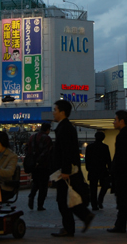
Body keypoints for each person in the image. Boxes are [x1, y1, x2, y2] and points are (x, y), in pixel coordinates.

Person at [50, 100, 94, 237]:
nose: (53, 112)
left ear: (62, 112)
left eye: (55, 110)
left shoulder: (65, 128)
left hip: (66, 171)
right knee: (66, 199)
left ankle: (71, 226)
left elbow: (67, 151)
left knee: (63, 200)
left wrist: (65, 170)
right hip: (67, 170)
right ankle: (83, 217)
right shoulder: (65, 127)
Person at [27, 123, 53, 211]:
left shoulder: (32, 137)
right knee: (43, 186)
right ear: (47, 130)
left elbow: (28, 150)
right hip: (44, 165)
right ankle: (40, 205)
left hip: (33, 165)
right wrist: (39, 161)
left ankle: (31, 195)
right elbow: (46, 152)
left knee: (36, 182)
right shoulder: (47, 138)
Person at [85, 131, 111, 210]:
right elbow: (108, 159)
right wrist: (110, 169)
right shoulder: (105, 147)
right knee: (105, 185)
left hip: (93, 170)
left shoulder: (90, 147)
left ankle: (94, 205)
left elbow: (87, 159)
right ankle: (100, 199)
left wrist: (88, 168)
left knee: (93, 188)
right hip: (102, 170)